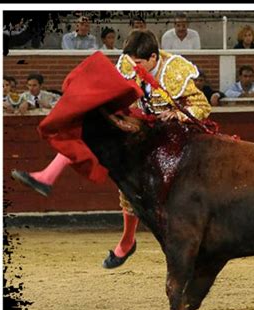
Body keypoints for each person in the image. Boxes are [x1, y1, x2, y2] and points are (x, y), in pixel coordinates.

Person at [11, 29, 211, 269]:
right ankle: (46, 176)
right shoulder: (128, 64)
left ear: (154, 59)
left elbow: (202, 105)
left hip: (172, 133)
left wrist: (177, 113)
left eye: (139, 64)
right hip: (140, 127)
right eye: (131, 62)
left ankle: (136, 242)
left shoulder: (175, 70)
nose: (134, 68)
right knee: (89, 128)